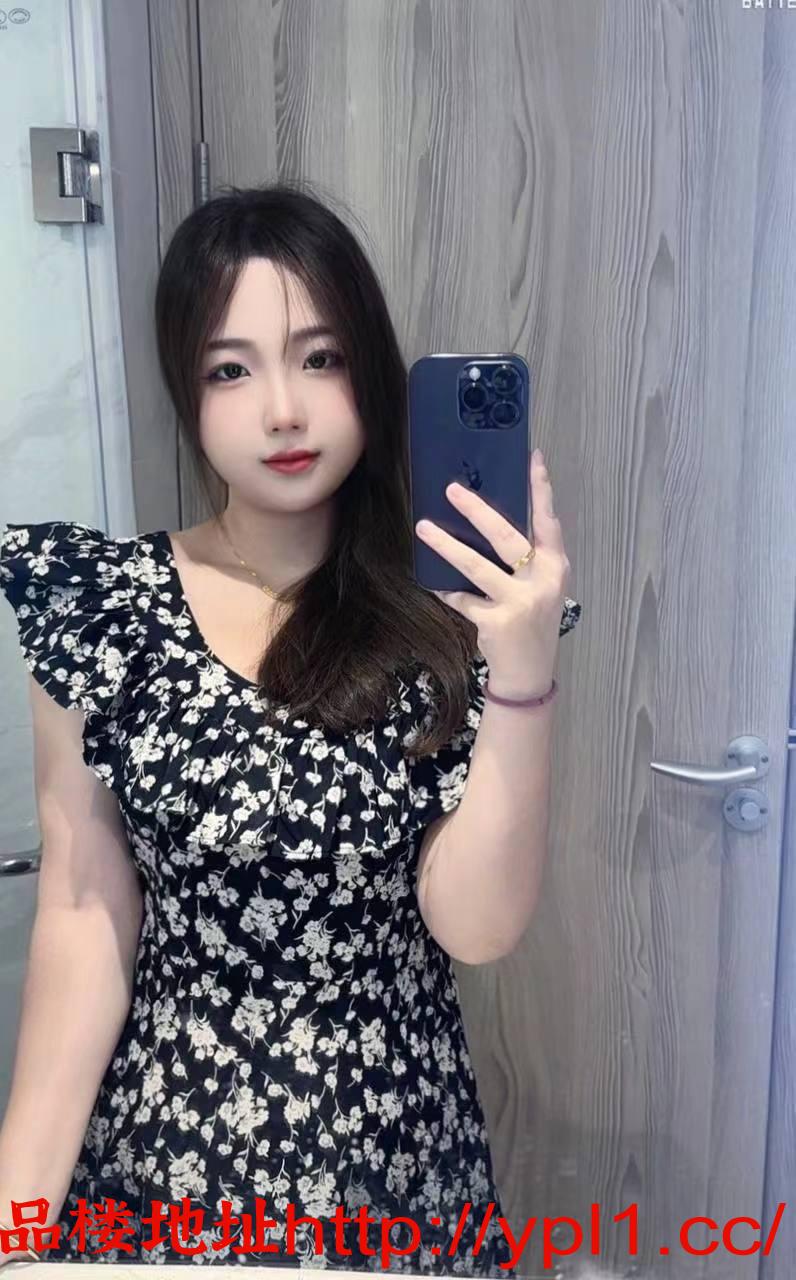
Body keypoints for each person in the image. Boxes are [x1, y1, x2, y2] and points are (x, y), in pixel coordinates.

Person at [0, 181, 581, 1272]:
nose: (281, 410)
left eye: (319, 358)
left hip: (394, 1163)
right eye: (231, 368)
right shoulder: (104, 608)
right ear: (184, 385)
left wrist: (522, 670)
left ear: (372, 370)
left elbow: (475, 927)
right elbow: (83, 917)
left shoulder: (456, 613)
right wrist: (15, 1226)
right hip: (168, 1162)